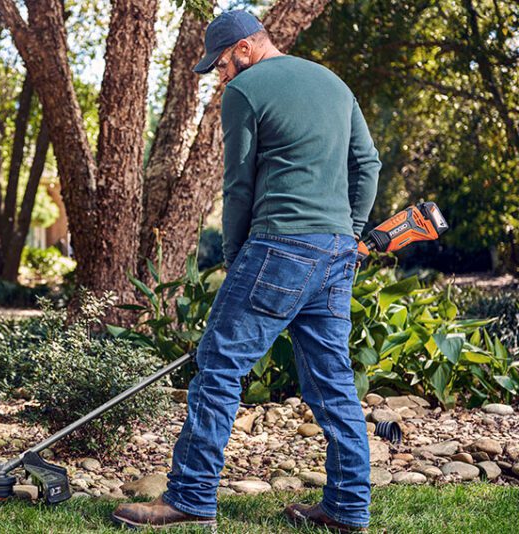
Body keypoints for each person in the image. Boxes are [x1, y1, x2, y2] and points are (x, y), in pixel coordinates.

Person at [112, 9, 380, 533]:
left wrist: (236, 257)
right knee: (333, 382)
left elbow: (238, 185)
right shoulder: (333, 82)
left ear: (244, 48)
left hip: (279, 245)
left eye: (221, 64)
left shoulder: (245, 91)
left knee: (218, 367)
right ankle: (348, 508)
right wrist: (350, 232)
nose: (221, 76)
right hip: (335, 253)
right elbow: (367, 165)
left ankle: (191, 498)